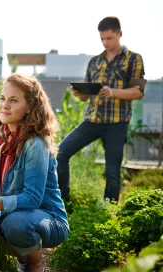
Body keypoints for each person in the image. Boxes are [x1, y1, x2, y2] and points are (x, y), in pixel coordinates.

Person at [0, 74, 69, 272]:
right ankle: (22, 260)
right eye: (3, 98)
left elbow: (32, 198)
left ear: (30, 107)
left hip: (49, 220)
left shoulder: (36, 144)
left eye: (14, 100)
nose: (5, 105)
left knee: (14, 224)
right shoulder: (2, 139)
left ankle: (35, 264)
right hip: (14, 214)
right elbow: (3, 182)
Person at [57, 17, 146, 203]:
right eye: (102, 39)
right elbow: (86, 97)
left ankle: (109, 211)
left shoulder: (133, 59)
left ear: (120, 34)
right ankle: (62, 203)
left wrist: (113, 92)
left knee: (112, 172)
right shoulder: (94, 62)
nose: (106, 43)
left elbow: (138, 92)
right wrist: (79, 93)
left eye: (110, 38)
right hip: (92, 121)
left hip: (117, 123)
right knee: (60, 153)